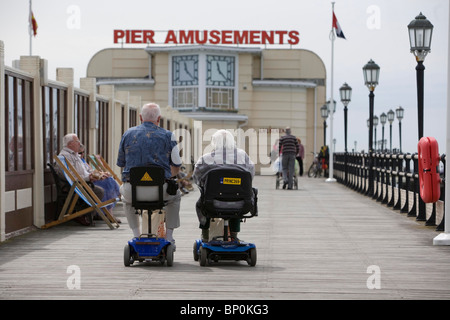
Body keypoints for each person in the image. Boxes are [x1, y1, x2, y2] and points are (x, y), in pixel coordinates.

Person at [117, 102, 182, 244]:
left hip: (133, 191)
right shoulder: (169, 136)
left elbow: (121, 163)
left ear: (140, 117)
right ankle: (169, 236)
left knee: (125, 199)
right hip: (159, 190)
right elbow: (177, 165)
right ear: (159, 118)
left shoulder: (127, 134)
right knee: (175, 197)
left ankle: (136, 234)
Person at [193, 129, 255, 242]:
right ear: (232, 142)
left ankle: (205, 234)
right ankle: (234, 234)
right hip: (240, 203)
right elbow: (250, 175)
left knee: (202, 203)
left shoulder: (206, 159)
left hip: (212, 202)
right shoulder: (243, 156)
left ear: (214, 142)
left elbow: (196, 178)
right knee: (238, 197)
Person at [57, 134, 105, 202]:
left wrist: (97, 174)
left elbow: (87, 169)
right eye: (77, 141)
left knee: (104, 184)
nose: (79, 143)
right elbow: (72, 176)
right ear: (70, 144)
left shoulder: (75, 154)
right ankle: (89, 212)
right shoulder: (66, 156)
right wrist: (89, 177)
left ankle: (93, 211)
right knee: (100, 191)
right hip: (75, 187)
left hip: (82, 184)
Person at [78, 144, 121, 220]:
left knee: (108, 179)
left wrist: (101, 174)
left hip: (90, 180)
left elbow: (91, 171)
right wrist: (94, 176)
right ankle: (108, 212)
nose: (82, 154)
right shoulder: (77, 161)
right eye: (80, 153)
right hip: (86, 182)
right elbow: (82, 175)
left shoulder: (82, 161)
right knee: (108, 182)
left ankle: (106, 211)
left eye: (83, 152)